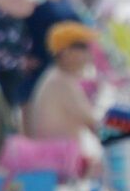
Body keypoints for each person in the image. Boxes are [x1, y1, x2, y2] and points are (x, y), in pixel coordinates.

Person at [9, 23, 106, 181]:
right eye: (83, 47)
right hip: (58, 166)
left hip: (58, 161)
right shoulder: (61, 82)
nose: (89, 54)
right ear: (66, 52)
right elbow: (95, 126)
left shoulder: (55, 77)